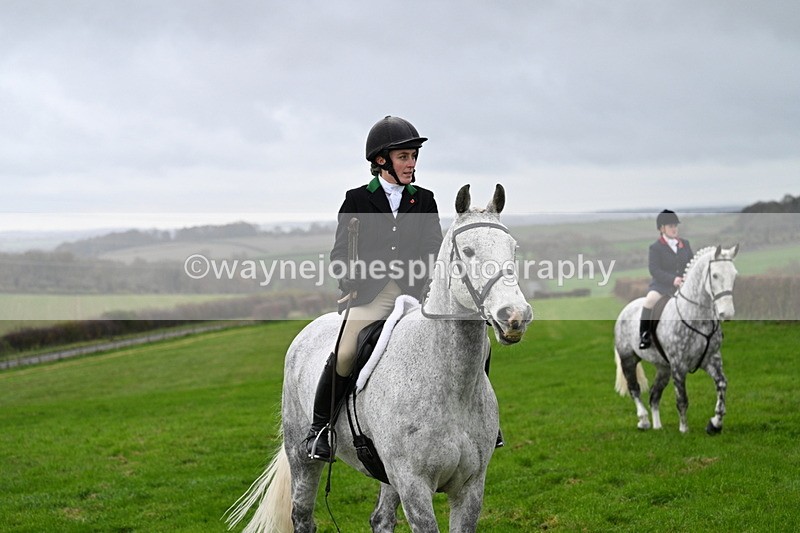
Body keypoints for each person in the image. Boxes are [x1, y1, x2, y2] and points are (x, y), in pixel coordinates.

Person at [306, 116, 444, 461]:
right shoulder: (357, 200)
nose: (411, 163)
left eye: (414, 156)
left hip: (416, 296)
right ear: (381, 160)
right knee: (346, 352)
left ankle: (484, 423)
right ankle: (320, 428)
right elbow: (339, 255)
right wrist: (350, 279)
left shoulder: (424, 200)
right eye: (404, 157)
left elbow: (434, 248)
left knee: (471, 342)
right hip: (374, 295)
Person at [639, 209, 694, 349]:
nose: (674, 229)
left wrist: (687, 276)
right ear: (661, 229)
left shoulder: (685, 244)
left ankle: (712, 331)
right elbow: (654, 270)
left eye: (675, 225)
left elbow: (691, 263)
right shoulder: (655, 248)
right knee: (649, 300)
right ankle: (644, 334)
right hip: (662, 286)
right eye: (671, 226)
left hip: (684, 285)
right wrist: (672, 279)